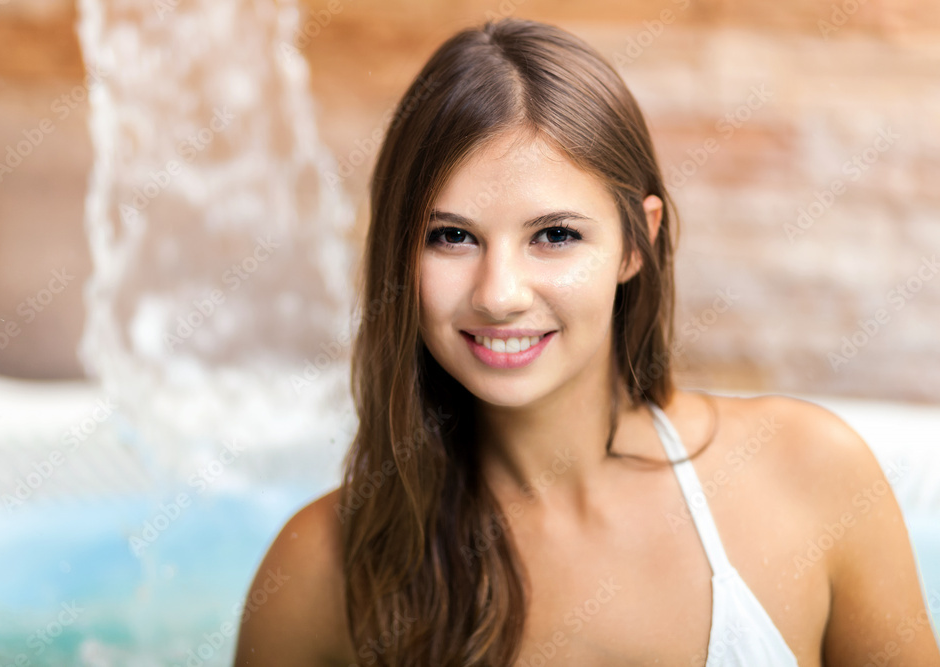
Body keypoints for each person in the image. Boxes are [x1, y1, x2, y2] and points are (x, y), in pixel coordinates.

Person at [234, 17, 940, 667]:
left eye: (554, 235)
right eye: (452, 236)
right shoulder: (318, 572)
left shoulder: (810, 476)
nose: (499, 292)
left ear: (639, 240)